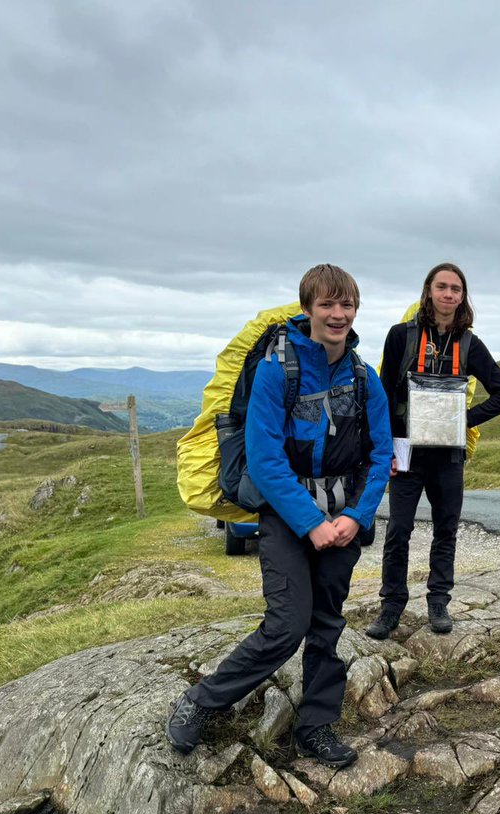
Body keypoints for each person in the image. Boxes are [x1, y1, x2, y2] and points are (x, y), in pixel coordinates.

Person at [166, 264, 392, 768]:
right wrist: (311, 524)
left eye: (346, 304)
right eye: (327, 304)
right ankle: (201, 701)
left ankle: (316, 726)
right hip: (288, 521)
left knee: (328, 623)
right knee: (287, 624)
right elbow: (265, 461)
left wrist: (354, 517)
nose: (338, 314)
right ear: (308, 309)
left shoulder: (363, 377)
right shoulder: (276, 369)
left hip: (344, 523)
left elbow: (380, 457)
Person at [366, 263, 500, 639]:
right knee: (398, 530)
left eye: (456, 289)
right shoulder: (400, 336)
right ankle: (391, 606)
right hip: (406, 451)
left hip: (448, 455)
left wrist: (463, 418)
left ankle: (438, 602)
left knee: (446, 530)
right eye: (442, 287)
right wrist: (383, 452)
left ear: (463, 297)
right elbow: (383, 395)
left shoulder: (469, 344)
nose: (449, 295)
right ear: (429, 291)